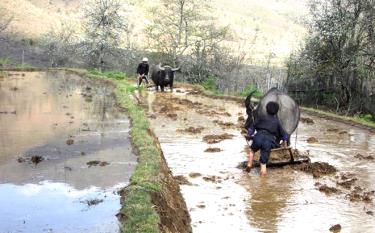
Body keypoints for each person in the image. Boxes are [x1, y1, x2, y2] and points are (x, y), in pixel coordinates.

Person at [245, 101, 289, 176]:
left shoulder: (261, 117)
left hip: (258, 137)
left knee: (252, 150)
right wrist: (285, 141)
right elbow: (284, 133)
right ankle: (263, 175)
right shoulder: (277, 121)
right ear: (276, 112)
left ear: (266, 109)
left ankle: (249, 164)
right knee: (263, 162)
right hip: (268, 141)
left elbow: (252, 127)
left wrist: (249, 134)